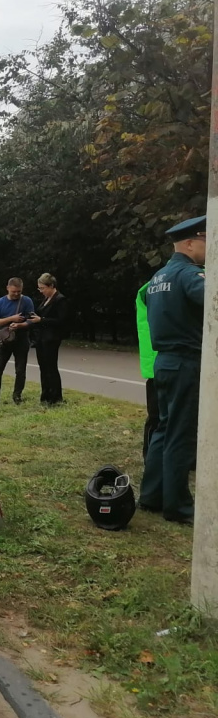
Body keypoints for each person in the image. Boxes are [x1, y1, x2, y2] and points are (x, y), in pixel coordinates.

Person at [138, 214, 206, 526]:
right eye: (206, 241)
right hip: (185, 363)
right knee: (181, 434)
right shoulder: (191, 275)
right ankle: (178, 506)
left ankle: (151, 496)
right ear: (191, 243)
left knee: (163, 430)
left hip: (163, 362)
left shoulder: (158, 278)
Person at [0, 277, 36, 407]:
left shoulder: (27, 301)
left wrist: (21, 325)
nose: (16, 294)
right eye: (14, 291)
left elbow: (32, 320)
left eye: (19, 292)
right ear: (7, 288)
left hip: (21, 340)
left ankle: (17, 395)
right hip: (4, 340)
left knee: (20, 370)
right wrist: (11, 319)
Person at [28, 273, 68, 406]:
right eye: (39, 288)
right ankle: (45, 395)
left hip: (52, 338)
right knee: (43, 367)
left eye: (42, 288)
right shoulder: (46, 299)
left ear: (51, 286)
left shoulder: (60, 299)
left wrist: (42, 320)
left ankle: (56, 397)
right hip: (41, 338)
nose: (41, 291)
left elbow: (62, 321)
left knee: (51, 368)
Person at [135, 279, 158, 461]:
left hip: (159, 361)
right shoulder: (175, 279)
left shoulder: (156, 283)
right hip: (159, 362)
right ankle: (150, 456)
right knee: (157, 417)